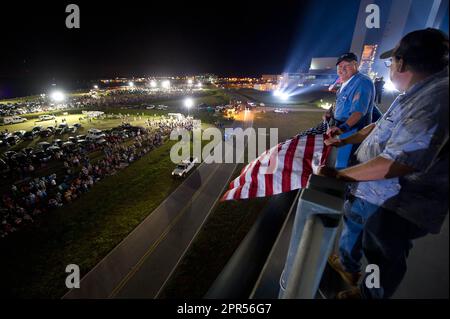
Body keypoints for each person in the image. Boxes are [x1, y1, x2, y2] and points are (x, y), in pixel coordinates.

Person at [320, 28, 449, 299]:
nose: (390, 67)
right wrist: (343, 141)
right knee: (366, 236)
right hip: (379, 192)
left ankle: (369, 296)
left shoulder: (435, 100)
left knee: (381, 252)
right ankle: (350, 269)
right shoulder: (416, 93)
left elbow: (399, 162)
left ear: (401, 62)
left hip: (398, 202)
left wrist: (340, 176)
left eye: (392, 62)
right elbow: (377, 127)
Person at [327, 52, 375, 169]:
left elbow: (358, 112)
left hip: (352, 130)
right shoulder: (345, 82)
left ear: (355, 65)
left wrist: (343, 128)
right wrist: (330, 112)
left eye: (346, 66)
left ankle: (342, 185)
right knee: (335, 160)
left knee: (344, 165)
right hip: (340, 127)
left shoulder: (362, 82)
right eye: (339, 66)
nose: (342, 69)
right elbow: (342, 103)